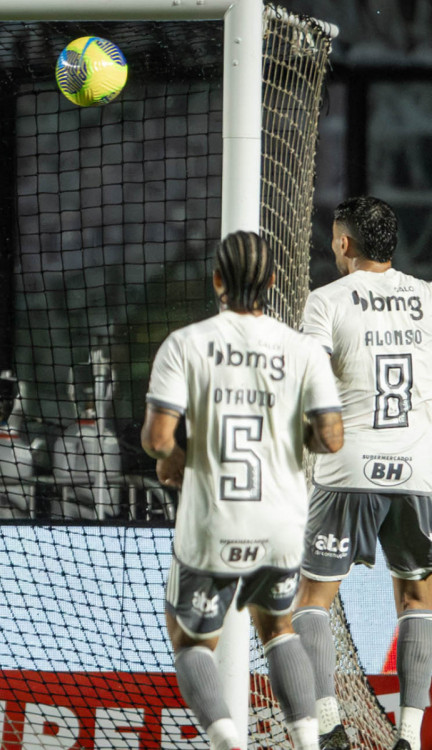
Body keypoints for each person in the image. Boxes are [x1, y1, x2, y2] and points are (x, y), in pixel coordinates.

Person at [142, 231, 344, 750]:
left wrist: (180, 461)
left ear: (216, 281)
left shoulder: (185, 344)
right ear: (274, 282)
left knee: (190, 637)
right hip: (280, 524)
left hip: (214, 523)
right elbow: (329, 437)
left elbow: (158, 440)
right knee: (278, 628)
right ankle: (306, 742)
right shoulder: (301, 350)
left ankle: (227, 740)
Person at [292, 197, 432, 750]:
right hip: (419, 471)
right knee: (418, 602)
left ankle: (328, 725)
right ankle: (409, 736)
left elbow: (309, 386)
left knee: (311, 599)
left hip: (346, 466)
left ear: (344, 243)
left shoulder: (326, 301)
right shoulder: (428, 298)